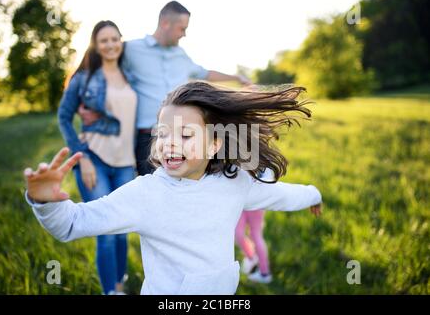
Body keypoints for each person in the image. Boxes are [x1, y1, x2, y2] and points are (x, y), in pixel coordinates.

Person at [24, 82, 322, 295]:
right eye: (163, 133)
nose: (170, 143)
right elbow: (73, 224)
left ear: (215, 143)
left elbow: (280, 194)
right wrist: (46, 202)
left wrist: (313, 194)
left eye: (185, 134)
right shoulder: (145, 194)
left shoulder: (234, 183)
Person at [78, 1, 252, 176]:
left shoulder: (181, 55)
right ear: (165, 24)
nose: (184, 34)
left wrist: (236, 78)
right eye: (181, 28)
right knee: (155, 193)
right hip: (148, 137)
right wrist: (85, 104)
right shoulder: (131, 49)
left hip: (185, 135)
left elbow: (205, 73)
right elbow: (99, 67)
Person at [57, 20, 137, 295]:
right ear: (95, 44)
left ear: (121, 41)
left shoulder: (130, 76)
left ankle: (119, 283)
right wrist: (83, 158)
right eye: (104, 40)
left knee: (122, 228)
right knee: (105, 230)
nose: (111, 44)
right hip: (95, 161)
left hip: (126, 163)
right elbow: (64, 118)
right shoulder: (83, 78)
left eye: (115, 38)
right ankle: (110, 292)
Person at [235, 168, 275, 284]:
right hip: (240, 201)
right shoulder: (234, 153)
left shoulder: (261, 158)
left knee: (255, 235)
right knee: (238, 234)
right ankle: (251, 257)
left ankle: (265, 273)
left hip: (256, 202)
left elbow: (268, 178)